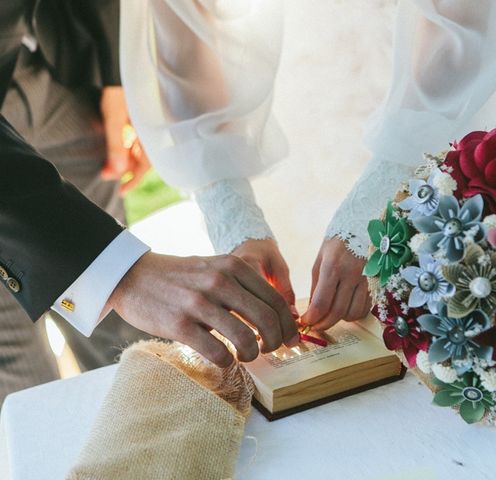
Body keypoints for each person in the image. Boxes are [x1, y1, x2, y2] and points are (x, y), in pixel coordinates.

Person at [120, 0, 496, 335]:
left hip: (483, 53)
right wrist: (235, 218)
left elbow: (461, 29)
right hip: (311, 69)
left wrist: (374, 208)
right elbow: (182, 34)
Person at [0, 0, 298, 406]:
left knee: (121, 335)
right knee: (20, 371)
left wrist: (113, 81)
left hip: (61, 62)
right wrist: (123, 272)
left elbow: (184, 24)